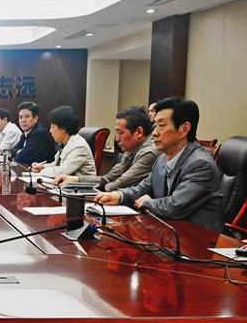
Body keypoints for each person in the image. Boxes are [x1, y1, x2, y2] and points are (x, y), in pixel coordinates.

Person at [95, 98, 224, 232]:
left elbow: (174, 206)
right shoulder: (162, 159)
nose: (154, 133)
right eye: (155, 125)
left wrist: (146, 203)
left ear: (184, 129)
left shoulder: (200, 164)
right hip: (166, 233)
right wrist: (118, 196)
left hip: (197, 238)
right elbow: (141, 188)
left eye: (161, 125)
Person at [56, 106, 159, 191]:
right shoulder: (131, 150)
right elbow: (107, 179)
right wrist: (75, 180)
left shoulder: (150, 152)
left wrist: (104, 186)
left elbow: (118, 184)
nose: (117, 139)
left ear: (139, 132)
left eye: (120, 133)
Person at [32, 106, 96, 178]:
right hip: (66, 183)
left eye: (52, 127)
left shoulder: (79, 146)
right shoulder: (65, 143)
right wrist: (42, 167)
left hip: (81, 184)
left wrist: (42, 172)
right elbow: (56, 165)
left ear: (63, 128)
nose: (50, 131)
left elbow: (62, 171)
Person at [11, 101, 56, 165]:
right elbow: (12, 151)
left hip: (44, 169)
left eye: (27, 117)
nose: (23, 120)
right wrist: (19, 152)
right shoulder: (26, 133)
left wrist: (19, 152)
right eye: (20, 117)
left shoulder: (39, 133)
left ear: (35, 118)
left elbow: (20, 157)